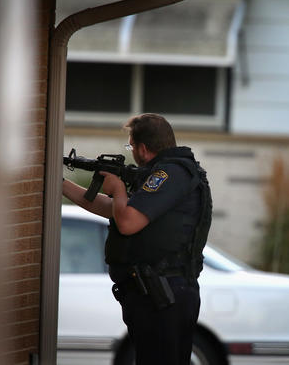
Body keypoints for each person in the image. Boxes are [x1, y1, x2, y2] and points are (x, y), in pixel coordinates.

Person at [62, 113, 212, 365]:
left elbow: (127, 222)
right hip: (156, 294)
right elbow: (111, 208)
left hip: (163, 296)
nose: (131, 152)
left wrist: (119, 189)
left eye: (130, 145)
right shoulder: (164, 173)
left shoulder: (168, 175)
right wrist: (61, 184)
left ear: (142, 148)